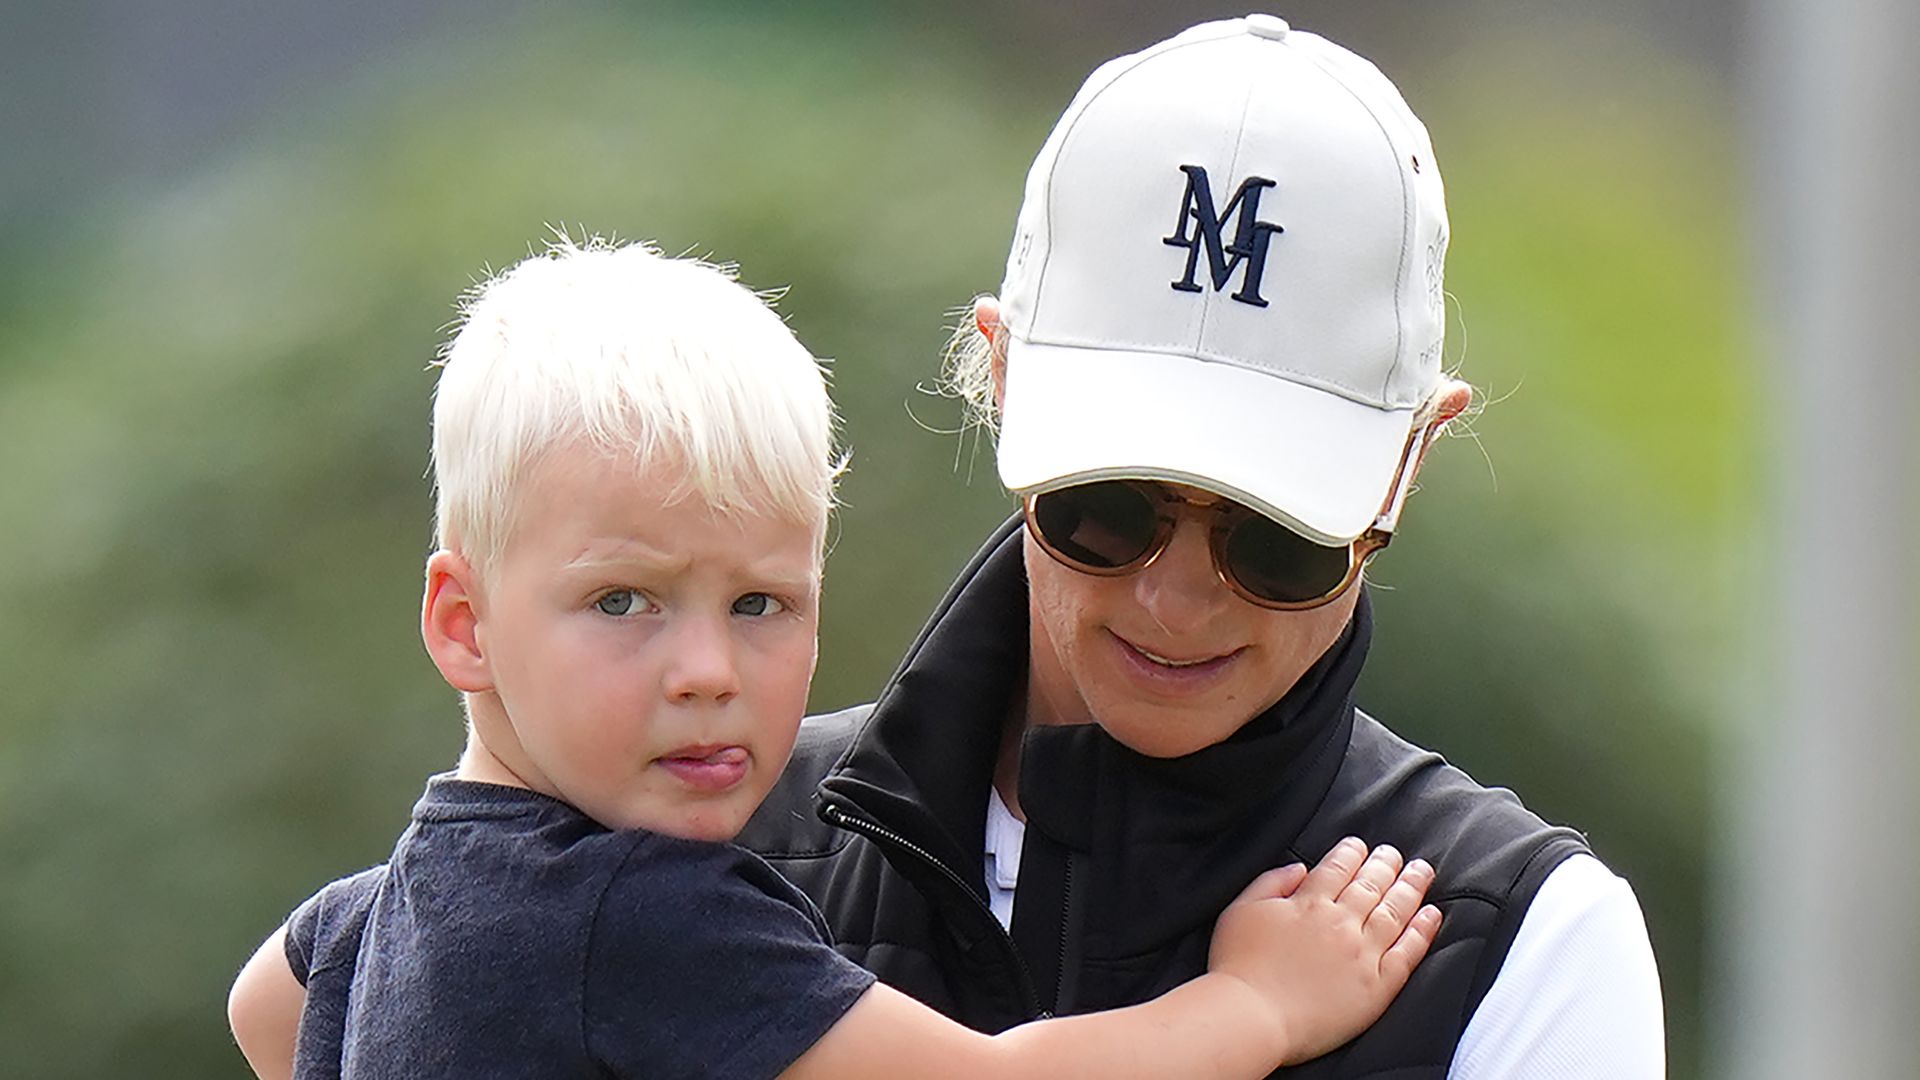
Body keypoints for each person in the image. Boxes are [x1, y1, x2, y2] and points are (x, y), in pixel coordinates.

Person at [223, 234, 1445, 1079]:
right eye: (624, 601)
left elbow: (263, 1012)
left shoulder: (396, 908)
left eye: (759, 605)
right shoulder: (639, 919)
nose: (706, 669)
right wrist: (1256, 1004)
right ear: (463, 624)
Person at [736, 14, 1665, 1078]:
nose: (1176, 601)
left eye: (1273, 537)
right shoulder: (700, 844)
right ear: (1003, 384)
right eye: (1112, 507)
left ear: (1413, 459)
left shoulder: (1530, 950)